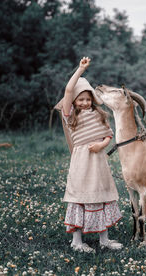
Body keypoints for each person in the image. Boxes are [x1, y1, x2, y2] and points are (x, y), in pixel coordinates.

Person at [54, 57, 123, 253]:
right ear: (74, 101)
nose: (85, 103)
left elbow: (109, 135)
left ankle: (104, 240)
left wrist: (101, 144)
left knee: (101, 194)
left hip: (98, 160)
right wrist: (80, 70)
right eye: (81, 99)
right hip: (81, 162)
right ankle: (77, 241)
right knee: (81, 196)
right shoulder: (70, 116)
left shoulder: (99, 114)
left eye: (88, 99)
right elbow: (68, 90)